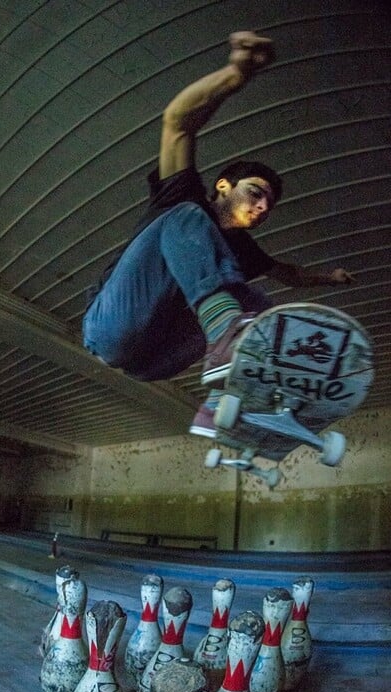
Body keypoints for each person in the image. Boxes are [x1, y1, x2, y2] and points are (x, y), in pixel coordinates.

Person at [82, 31, 353, 437]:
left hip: (153, 363)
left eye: (268, 206)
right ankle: (224, 330)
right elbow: (177, 124)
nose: (262, 208)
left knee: (255, 299)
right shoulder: (184, 194)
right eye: (255, 193)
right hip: (111, 327)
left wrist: (328, 279)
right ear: (224, 186)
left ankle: (238, 402)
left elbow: (289, 274)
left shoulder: (244, 252)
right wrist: (235, 75)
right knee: (186, 217)